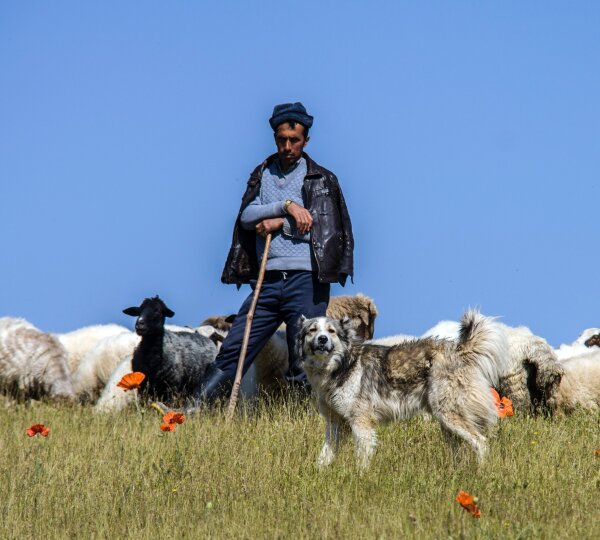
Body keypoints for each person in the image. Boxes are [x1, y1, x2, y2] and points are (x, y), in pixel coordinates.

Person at [194, 102, 354, 405]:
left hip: (306, 280)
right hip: (266, 282)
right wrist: (286, 207)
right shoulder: (262, 174)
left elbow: (325, 227)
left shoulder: (322, 179)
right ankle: (190, 412)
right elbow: (246, 215)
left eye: (294, 140)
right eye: (282, 140)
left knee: (302, 356)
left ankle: (300, 426)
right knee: (234, 348)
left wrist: (280, 223)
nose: (287, 146)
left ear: (306, 140)